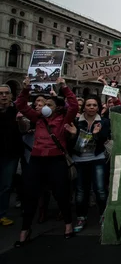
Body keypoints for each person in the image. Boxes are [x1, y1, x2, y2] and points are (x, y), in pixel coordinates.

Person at [14, 77, 78, 246]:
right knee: (30, 195)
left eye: (50, 104)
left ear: (57, 107)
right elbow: (20, 105)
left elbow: (74, 106)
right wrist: (25, 89)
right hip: (36, 161)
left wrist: (64, 87)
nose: (45, 107)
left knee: (61, 193)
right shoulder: (37, 119)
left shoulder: (63, 120)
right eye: (44, 104)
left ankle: (68, 224)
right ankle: (25, 230)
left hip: (56, 160)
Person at [66, 95, 111, 232]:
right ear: (84, 107)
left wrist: (97, 134)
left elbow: (105, 140)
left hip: (97, 158)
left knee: (100, 190)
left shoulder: (104, 122)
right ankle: (81, 216)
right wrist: (73, 135)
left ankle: (104, 215)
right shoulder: (76, 122)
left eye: (94, 105)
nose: (91, 107)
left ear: (98, 107)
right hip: (79, 160)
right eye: (88, 105)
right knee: (80, 191)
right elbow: (69, 144)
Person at [0, 84, 22, 226]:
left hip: (11, 154)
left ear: (11, 95)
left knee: (6, 186)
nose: (4, 96)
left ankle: (2, 214)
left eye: (6, 93)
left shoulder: (16, 111)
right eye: (1, 93)